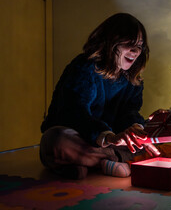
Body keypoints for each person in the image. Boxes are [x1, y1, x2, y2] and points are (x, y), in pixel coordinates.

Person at [40, 13, 159, 180]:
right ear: (111, 42)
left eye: (140, 46)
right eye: (129, 44)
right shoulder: (84, 67)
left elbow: (129, 112)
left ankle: (86, 164)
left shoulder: (133, 79)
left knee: (149, 142)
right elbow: (74, 113)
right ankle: (110, 160)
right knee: (54, 139)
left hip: (109, 143)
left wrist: (136, 128)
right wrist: (107, 136)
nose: (136, 51)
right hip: (78, 138)